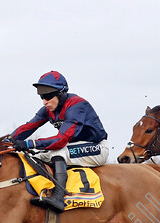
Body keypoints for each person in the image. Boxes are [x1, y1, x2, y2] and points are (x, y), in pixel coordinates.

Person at [10, 71, 109, 212]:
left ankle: (58, 197)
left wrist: (30, 143)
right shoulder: (48, 109)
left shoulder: (77, 106)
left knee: (59, 152)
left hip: (97, 148)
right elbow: (29, 126)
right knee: (35, 155)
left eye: (48, 96)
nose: (45, 102)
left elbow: (61, 140)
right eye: (42, 97)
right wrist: (9, 140)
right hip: (73, 147)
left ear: (62, 93)